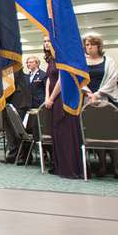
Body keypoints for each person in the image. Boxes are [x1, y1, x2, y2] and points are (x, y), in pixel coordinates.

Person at [43, 41, 83, 179]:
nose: (46, 44)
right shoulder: (51, 59)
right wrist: (47, 97)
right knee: (57, 133)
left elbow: (62, 80)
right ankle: (59, 166)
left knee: (65, 133)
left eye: (49, 41)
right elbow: (49, 79)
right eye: (44, 41)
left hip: (62, 98)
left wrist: (52, 98)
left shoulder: (63, 58)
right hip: (52, 100)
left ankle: (70, 167)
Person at [83, 35, 118, 178]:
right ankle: (102, 165)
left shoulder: (108, 60)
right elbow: (80, 79)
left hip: (107, 99)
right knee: (96, 133)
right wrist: (89, 93)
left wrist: (98, 94)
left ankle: (116, 166)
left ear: (99, 46)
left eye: (92, 44)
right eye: (87, 44)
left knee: (111, 133)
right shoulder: (82, 62)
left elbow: (112, 79)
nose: (89, 47)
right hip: (88, 100)